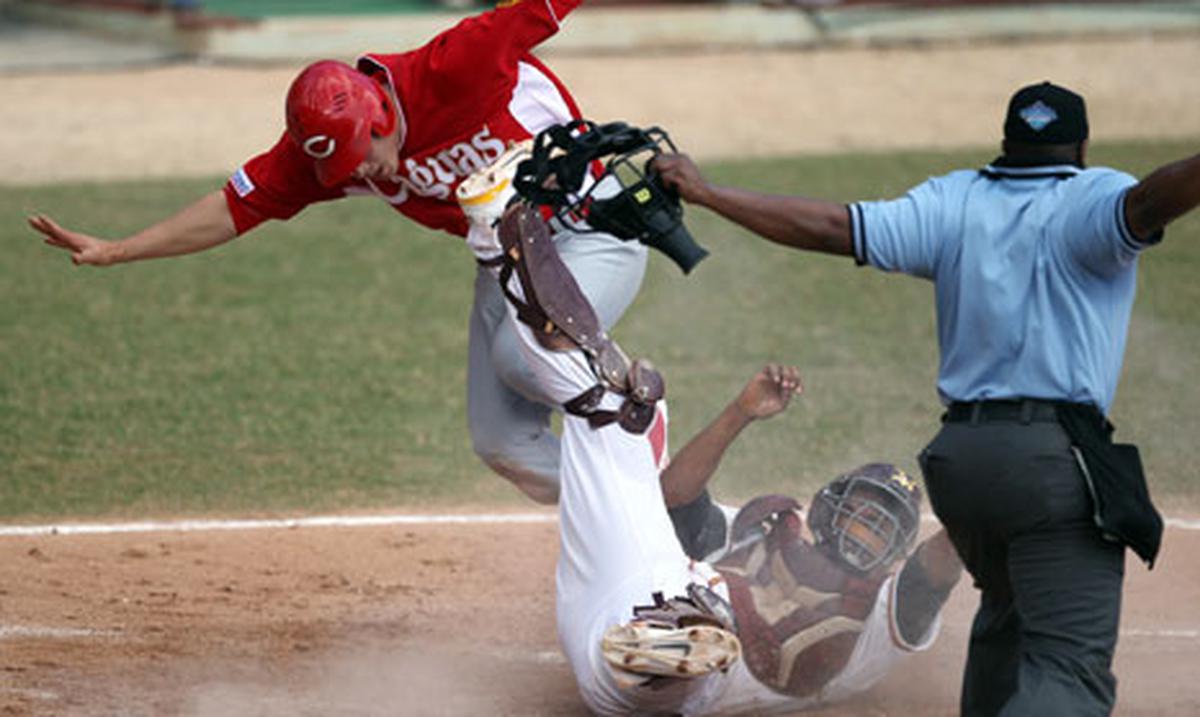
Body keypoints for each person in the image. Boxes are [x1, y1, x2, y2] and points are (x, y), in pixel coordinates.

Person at [652, 81, 1200, 715]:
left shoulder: (953, 200)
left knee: (1004, 627)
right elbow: (1156, 196)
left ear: (1007, 143)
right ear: (1080, 146)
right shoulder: (1094, 198)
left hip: (961, 466)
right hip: (1053, 461)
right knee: (1067, 670)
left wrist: (707, 191)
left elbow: (831, 226)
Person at [27, 0, 645, 505]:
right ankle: (648, 506)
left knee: (520, 357)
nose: (360, 172)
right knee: (503, 443)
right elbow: (235, 207)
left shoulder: (457, 64)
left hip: (592, 222)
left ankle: (635, 402)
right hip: (507, 257)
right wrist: (117, 251)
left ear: (379, 111)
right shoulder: (322, 154)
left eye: (360, 156)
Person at [468, 194, 961, 715]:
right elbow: (674, 500)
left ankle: (662, 656)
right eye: (863, 513)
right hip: (619, 600)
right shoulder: (766, 530)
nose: (865, 532)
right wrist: (739, 413)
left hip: (676, 686)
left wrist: (988, 489)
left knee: (693, 642)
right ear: (828, 504)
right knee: (619, 412)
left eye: (881, 527)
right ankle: (495, 235)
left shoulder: (888, 610)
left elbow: (938, 567)